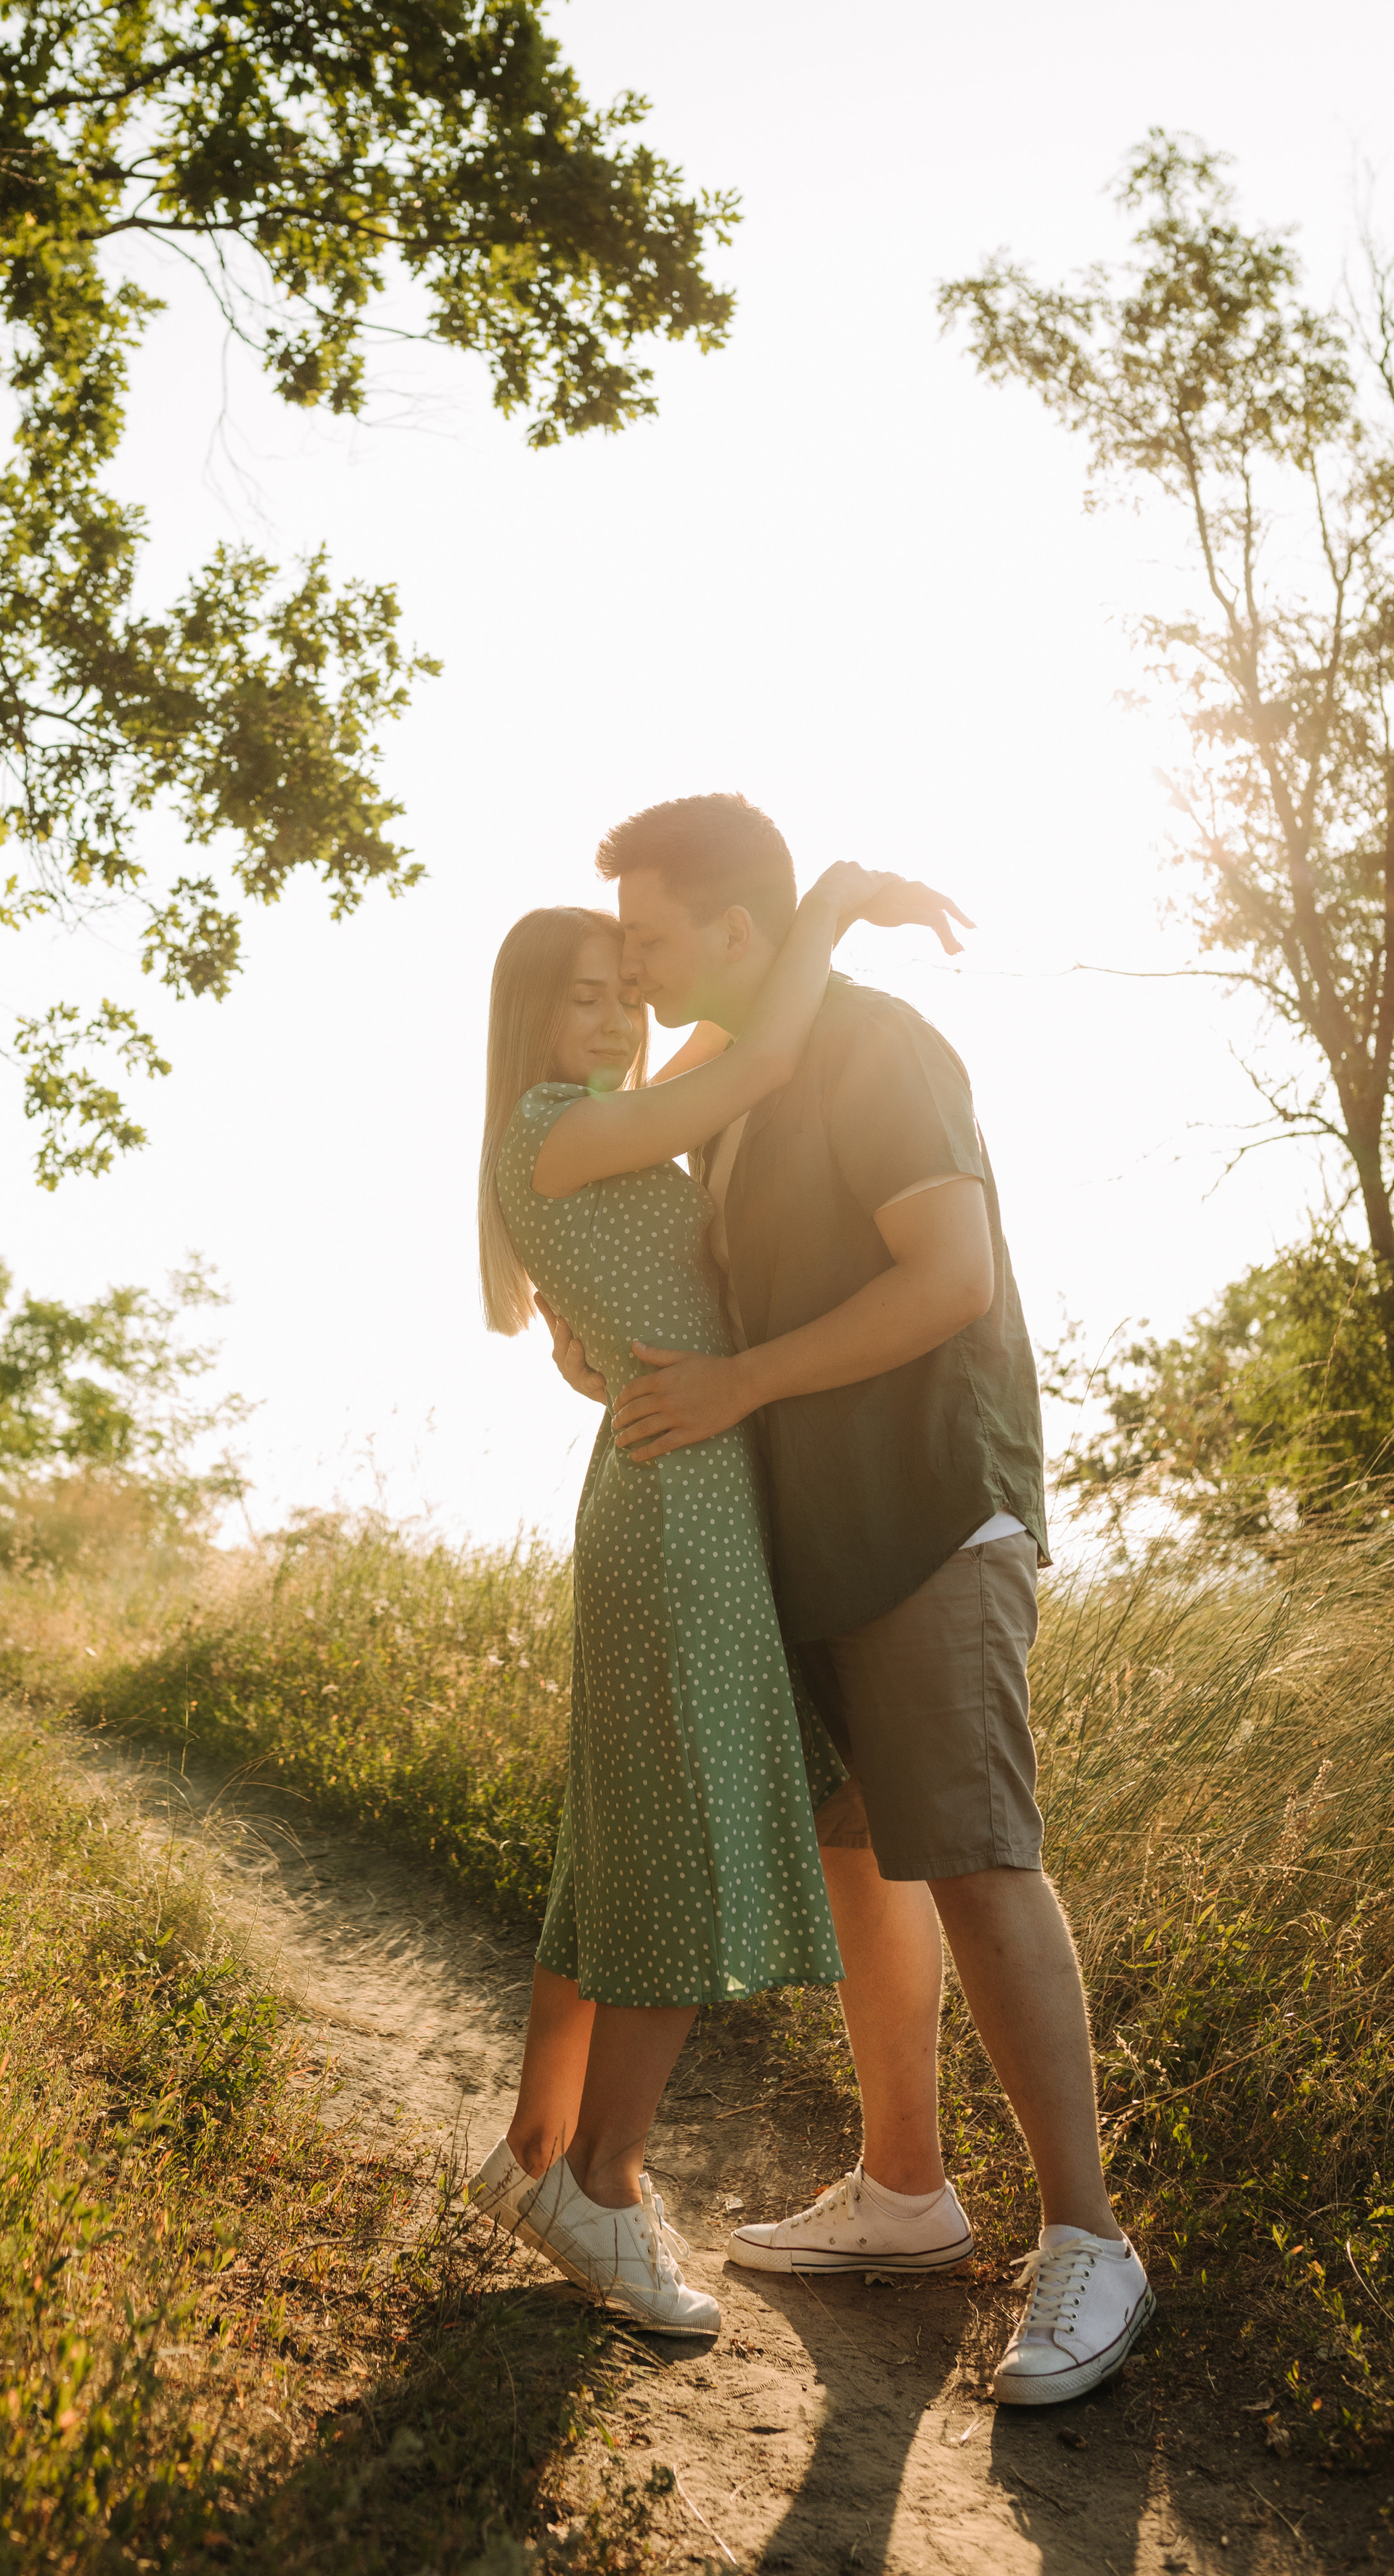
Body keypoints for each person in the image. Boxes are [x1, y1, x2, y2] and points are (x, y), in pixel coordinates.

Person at [542, 791, 1151, 2407]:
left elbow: (945, 1279)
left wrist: (737, 1379)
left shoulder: (873, 1045)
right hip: (801, 1537)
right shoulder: (727, 1083)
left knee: (971, 1852)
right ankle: (902, 2193)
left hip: (934, 1514)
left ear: (738, 928)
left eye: (657, 938)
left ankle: (1087, 2242)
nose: (641, 968)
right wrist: (591, 1330)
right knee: (867, 1857)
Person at [466, 858, 965, 2337]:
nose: (621, 1016)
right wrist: (827, 911)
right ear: (526, 1019)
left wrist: (734, 964)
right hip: (673, 1509)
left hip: (682, 1493)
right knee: (678, 1847)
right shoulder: (556, 1130)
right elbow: (752, 1057)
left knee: (616, 1848)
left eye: (630, 987)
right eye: (587, 996)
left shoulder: (584, 1120)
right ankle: (603, 2187)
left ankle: (535, 2155)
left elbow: (709, 1054)